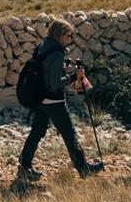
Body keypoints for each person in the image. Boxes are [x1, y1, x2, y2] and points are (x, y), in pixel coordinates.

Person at [17, 20, 103, 180]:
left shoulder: (42, 46)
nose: (70, 38)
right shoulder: (57, 53)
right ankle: (83, 168)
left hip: (40, 98)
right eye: (68, 35)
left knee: (36, 132)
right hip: (54, 100)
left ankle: (24, 167)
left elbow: (46, 71)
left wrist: (63, 69)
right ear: (60, 34)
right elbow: (55, 83)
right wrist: (74, 76)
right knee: (69, 134)